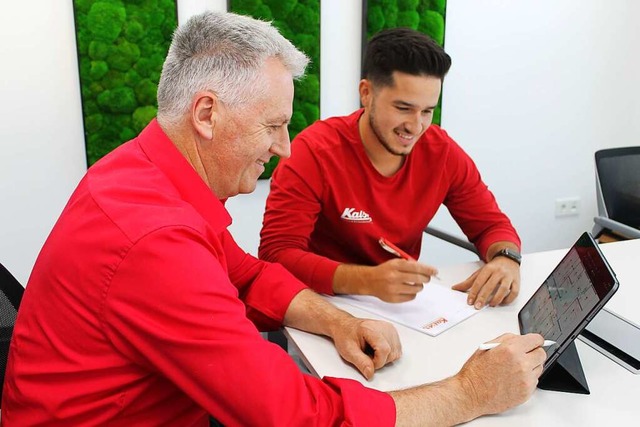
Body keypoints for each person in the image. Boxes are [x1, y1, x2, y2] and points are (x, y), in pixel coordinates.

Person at [1, 12, 545, 426]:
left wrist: (340, 322)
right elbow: (290, 415)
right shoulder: (156, 239)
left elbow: (246, 274)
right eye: (273, 125)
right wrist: (470, 393)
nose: (283, 147)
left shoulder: (142, 171)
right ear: (208, 114)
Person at [259, 27, 522, 309]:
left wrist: (506, 258)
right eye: (403, 108)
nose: (416, 125)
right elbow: (276, 254)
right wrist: (367, 281)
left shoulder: (441, 152)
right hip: (320, 303)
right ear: (366, 93)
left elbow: (491, 225)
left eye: (427, 111)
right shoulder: (313, 152)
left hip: (402, 310)